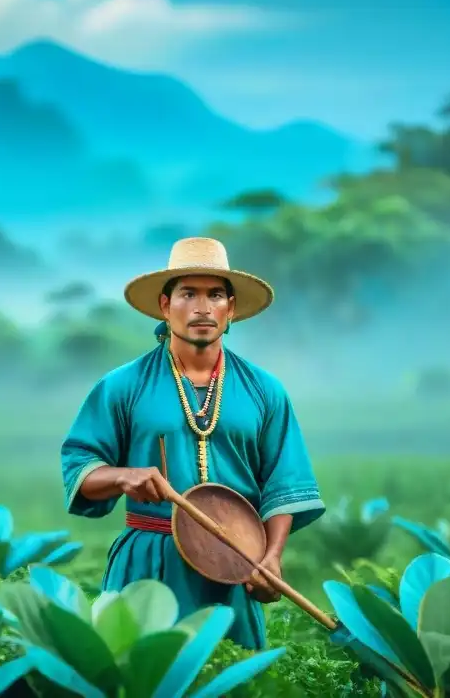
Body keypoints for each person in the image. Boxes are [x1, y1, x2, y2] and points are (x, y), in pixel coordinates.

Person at [59, 236, 326, 650]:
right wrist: (123, 477)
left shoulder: (265, 391)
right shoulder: (121, 386)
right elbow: (81, 465)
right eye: (188, 294)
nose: (202, 308)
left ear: (231, 309)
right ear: (166, 306)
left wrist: (270, 557)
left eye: (215, 295)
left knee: (232, 680)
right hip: (148, 564)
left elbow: (283, 485)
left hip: (236, 560)